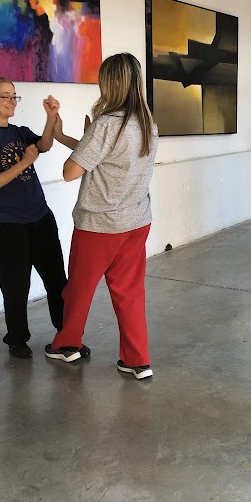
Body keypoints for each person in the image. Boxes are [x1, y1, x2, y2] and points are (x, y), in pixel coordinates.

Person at [44, 53, 158, 380]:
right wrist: (67, 136)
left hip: (100, 225)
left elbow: (70, 172)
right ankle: (137, 361)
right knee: (129, 293)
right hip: (136, 221)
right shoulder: (147, 124)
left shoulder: (107, 124)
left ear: (109, 83)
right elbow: (107, 159)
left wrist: (89, 136)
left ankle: (68, 344)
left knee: (79, 290)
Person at [0, 77, 67, 359]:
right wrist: (24, 162)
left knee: (57, 281)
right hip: (6, 225)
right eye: (5, 96)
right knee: (16, 286)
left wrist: (51, 118)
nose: (12, 101)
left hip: (40, 217)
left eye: (14, 96)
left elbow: (44, 145)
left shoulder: (19, 132)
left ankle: (66, 333)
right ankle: (17, 339)